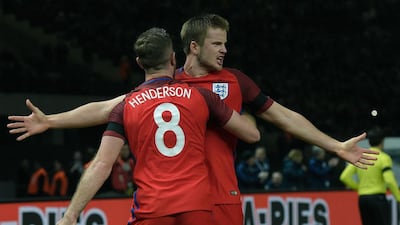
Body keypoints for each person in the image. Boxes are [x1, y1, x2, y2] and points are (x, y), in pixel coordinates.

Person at [8, 14, 378, 225]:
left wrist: (334, 145)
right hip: (185, 200)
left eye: (226, 43)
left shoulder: (235, 80)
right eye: (218, 43)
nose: (225, 50)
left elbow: (283, 117)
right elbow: (107, 106)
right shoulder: (174, 84)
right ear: (194, 47)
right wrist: (52, 121)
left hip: (224, 197)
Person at [54, 27, 260, 225]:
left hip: (152, 208)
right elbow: (251, 135)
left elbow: (101, 164)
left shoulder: (127, 105)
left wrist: (71, 216)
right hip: (196, 206)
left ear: (139, 63)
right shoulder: (201, 97)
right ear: (172, 58)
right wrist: (247, 115)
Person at [340, 127, 400, 225]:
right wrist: (398, 197)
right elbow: (389, 180)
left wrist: (359, 188)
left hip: (363, 199)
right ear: (382, 141)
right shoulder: (383, 158)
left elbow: (344, 177)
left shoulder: (361, 156)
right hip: (378, 199)